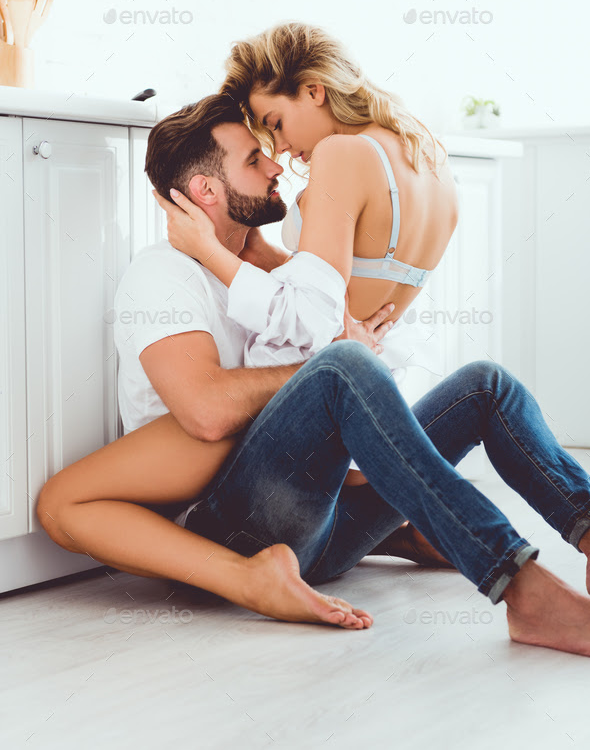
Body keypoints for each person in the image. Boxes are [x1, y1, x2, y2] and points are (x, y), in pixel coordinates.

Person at [36, 94, 590, 655]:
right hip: (239, 531)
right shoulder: (162, 276)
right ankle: (523, 590)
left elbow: (324, 362)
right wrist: (332, 356)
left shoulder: (263, 271)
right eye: (254, 159)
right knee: (342, 365)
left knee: (485, 386)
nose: (276, 164)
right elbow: (207, 413)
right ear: (205, 191)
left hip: (323, 532)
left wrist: (273, 263)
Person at [160, 21, 460, 484]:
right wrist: (269, 258)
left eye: (276, 124)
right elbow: (355, 283)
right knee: (491, 388)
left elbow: (310, 314)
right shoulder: (430, 157)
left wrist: (208, 249)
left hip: (300, 410)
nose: (280, 149)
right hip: (383, 386)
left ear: (313, 91)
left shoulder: (343, 153)